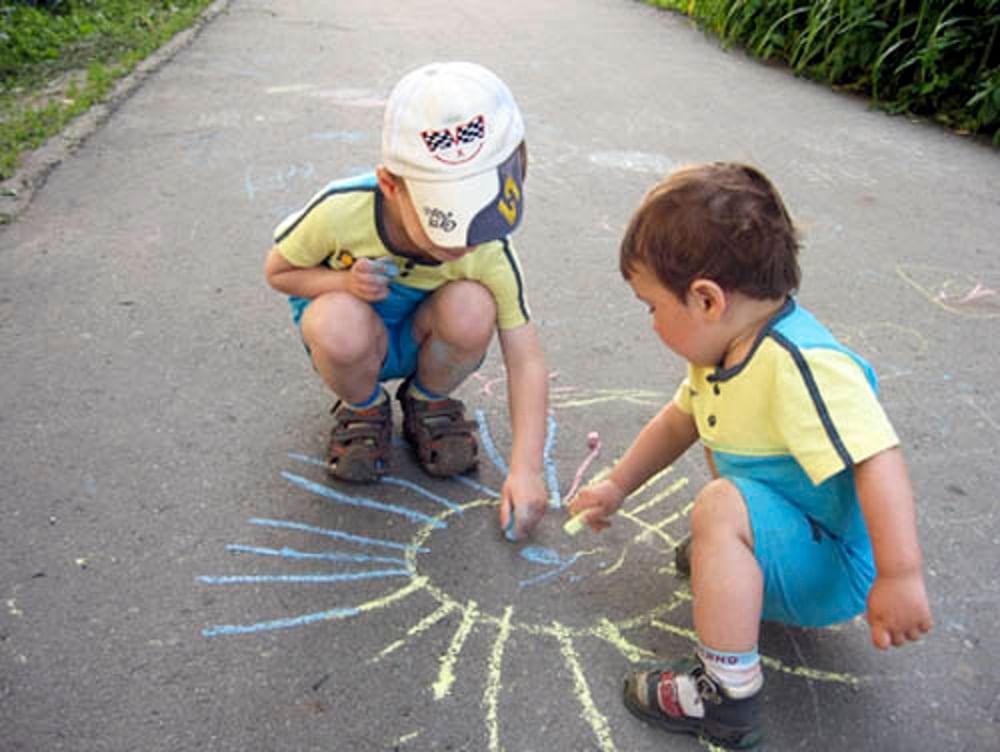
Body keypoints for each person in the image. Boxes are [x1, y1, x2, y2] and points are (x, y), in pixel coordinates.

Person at [567, 162, 932, 749]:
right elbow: (679, 420)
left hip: (835, 570)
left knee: (720, 506)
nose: (651, 321)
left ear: (706, 299)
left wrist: (900, 575)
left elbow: (877, 457)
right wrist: (617, 486)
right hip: (798, 539)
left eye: (652, 306)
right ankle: (737, 560)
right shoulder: (726, 350)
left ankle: (725, 696)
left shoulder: (802, 363)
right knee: (723, 512)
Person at [264, 61, 549, 541]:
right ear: (391, 186)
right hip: (358, 338)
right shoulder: (342, 210)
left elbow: (527, 361)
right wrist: (342, 285)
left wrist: (526, 470)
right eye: (447, 221)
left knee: (474, 307)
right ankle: (364, 408)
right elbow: (278, 272)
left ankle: (427, 402)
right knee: (336, 321)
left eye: (477, 221)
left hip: (425, 339)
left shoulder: (488, 251)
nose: (464, 244)